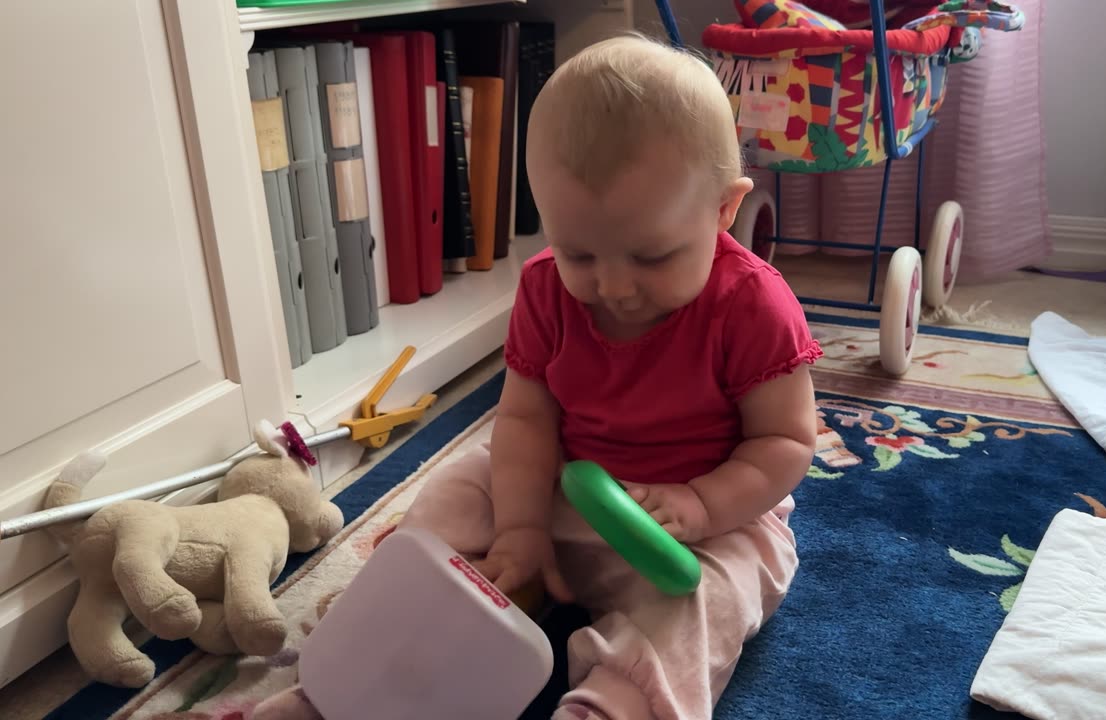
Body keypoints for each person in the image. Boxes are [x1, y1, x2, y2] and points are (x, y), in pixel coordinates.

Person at [255, 33, 821, 720]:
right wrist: (519, 527)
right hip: (559, 491)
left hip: (695, 527)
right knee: (453, 496)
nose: (614, 287)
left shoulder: (753, 304)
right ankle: (352, 680)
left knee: (713, 596)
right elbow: (526, 419)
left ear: (724, 209)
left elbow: (785, 442)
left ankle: (611, 706)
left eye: (652, 257)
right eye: (579, 253)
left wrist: (704, 504)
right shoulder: (546, 289)